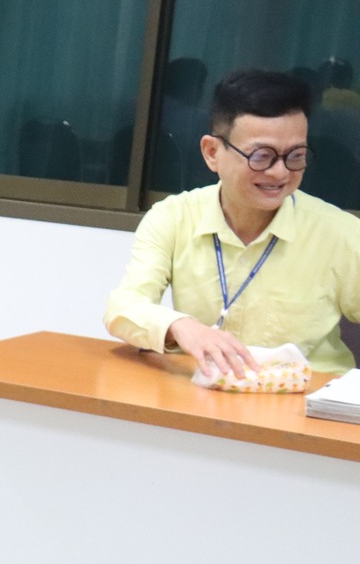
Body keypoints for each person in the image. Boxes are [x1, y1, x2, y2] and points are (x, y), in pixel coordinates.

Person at [105, 68, 360, 378]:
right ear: (212, 152)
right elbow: (123, 307)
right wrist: (180, 326)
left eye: (295, 155)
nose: (280, 172)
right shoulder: (174, 217)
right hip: (204, 394)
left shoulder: (339, 234)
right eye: (262, 156)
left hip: (307, 398)